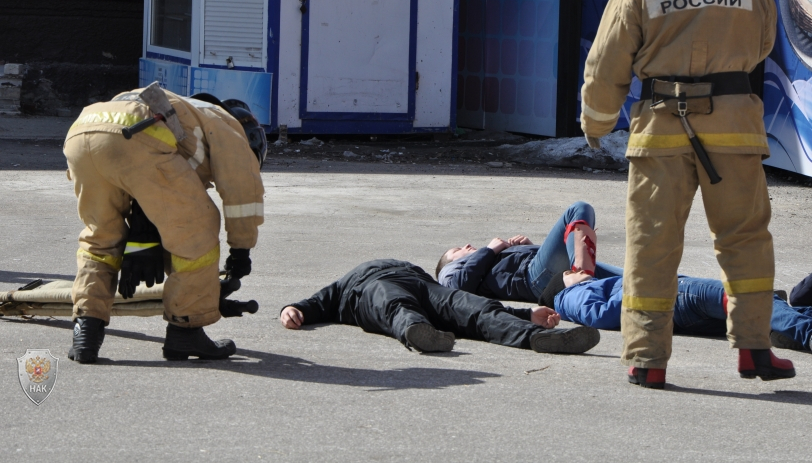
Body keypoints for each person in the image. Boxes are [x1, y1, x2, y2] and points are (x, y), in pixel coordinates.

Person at [580, 0, 794, 387]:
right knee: (745, 240)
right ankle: (755, 351)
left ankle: (647, 359)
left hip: (661, 134)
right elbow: (764, 40)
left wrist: (596, 122)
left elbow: (606, 64)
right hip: (736, 132)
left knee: (652, 246)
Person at [64, 85, 267, 363]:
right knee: (196, 234)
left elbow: (142, 178)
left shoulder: (186, 111)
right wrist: (241, 251)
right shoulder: (227, 125)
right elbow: (243, 191)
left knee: (101, 238)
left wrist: (142, 240)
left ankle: (86, 329)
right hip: (136, 133)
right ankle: (186, 330)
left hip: (82, 130)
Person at [279, 259, 601, 355]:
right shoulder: (350, 280)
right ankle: (419, 334)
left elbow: (479, 305)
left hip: (425, 286)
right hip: (372, 288)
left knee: (472, 308)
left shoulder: (425, 274)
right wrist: (292, 309)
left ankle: (537, 338)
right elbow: (317, 302)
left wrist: (525, 314)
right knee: (397, 305)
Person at [542, 272, 810, 381]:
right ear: (564, 279)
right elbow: (603, 314)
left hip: (680, 311)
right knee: (757, 301)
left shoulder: (594, 286)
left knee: (763, 310)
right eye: (570, 271)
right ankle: (805, 333)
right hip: (679, 294)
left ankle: (787, 328)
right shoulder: (567, 296)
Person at [435, 201, 622, 303]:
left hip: (542, 272)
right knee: (579, 209)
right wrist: (489, 250)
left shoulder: (485, 264)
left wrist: (531, 249)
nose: (466, 245)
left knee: (630, 281)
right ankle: (583, 280)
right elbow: (457, 287)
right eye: (456, 250)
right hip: (533, 278)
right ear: (451, 264)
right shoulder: (449, 274)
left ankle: (583, 277)